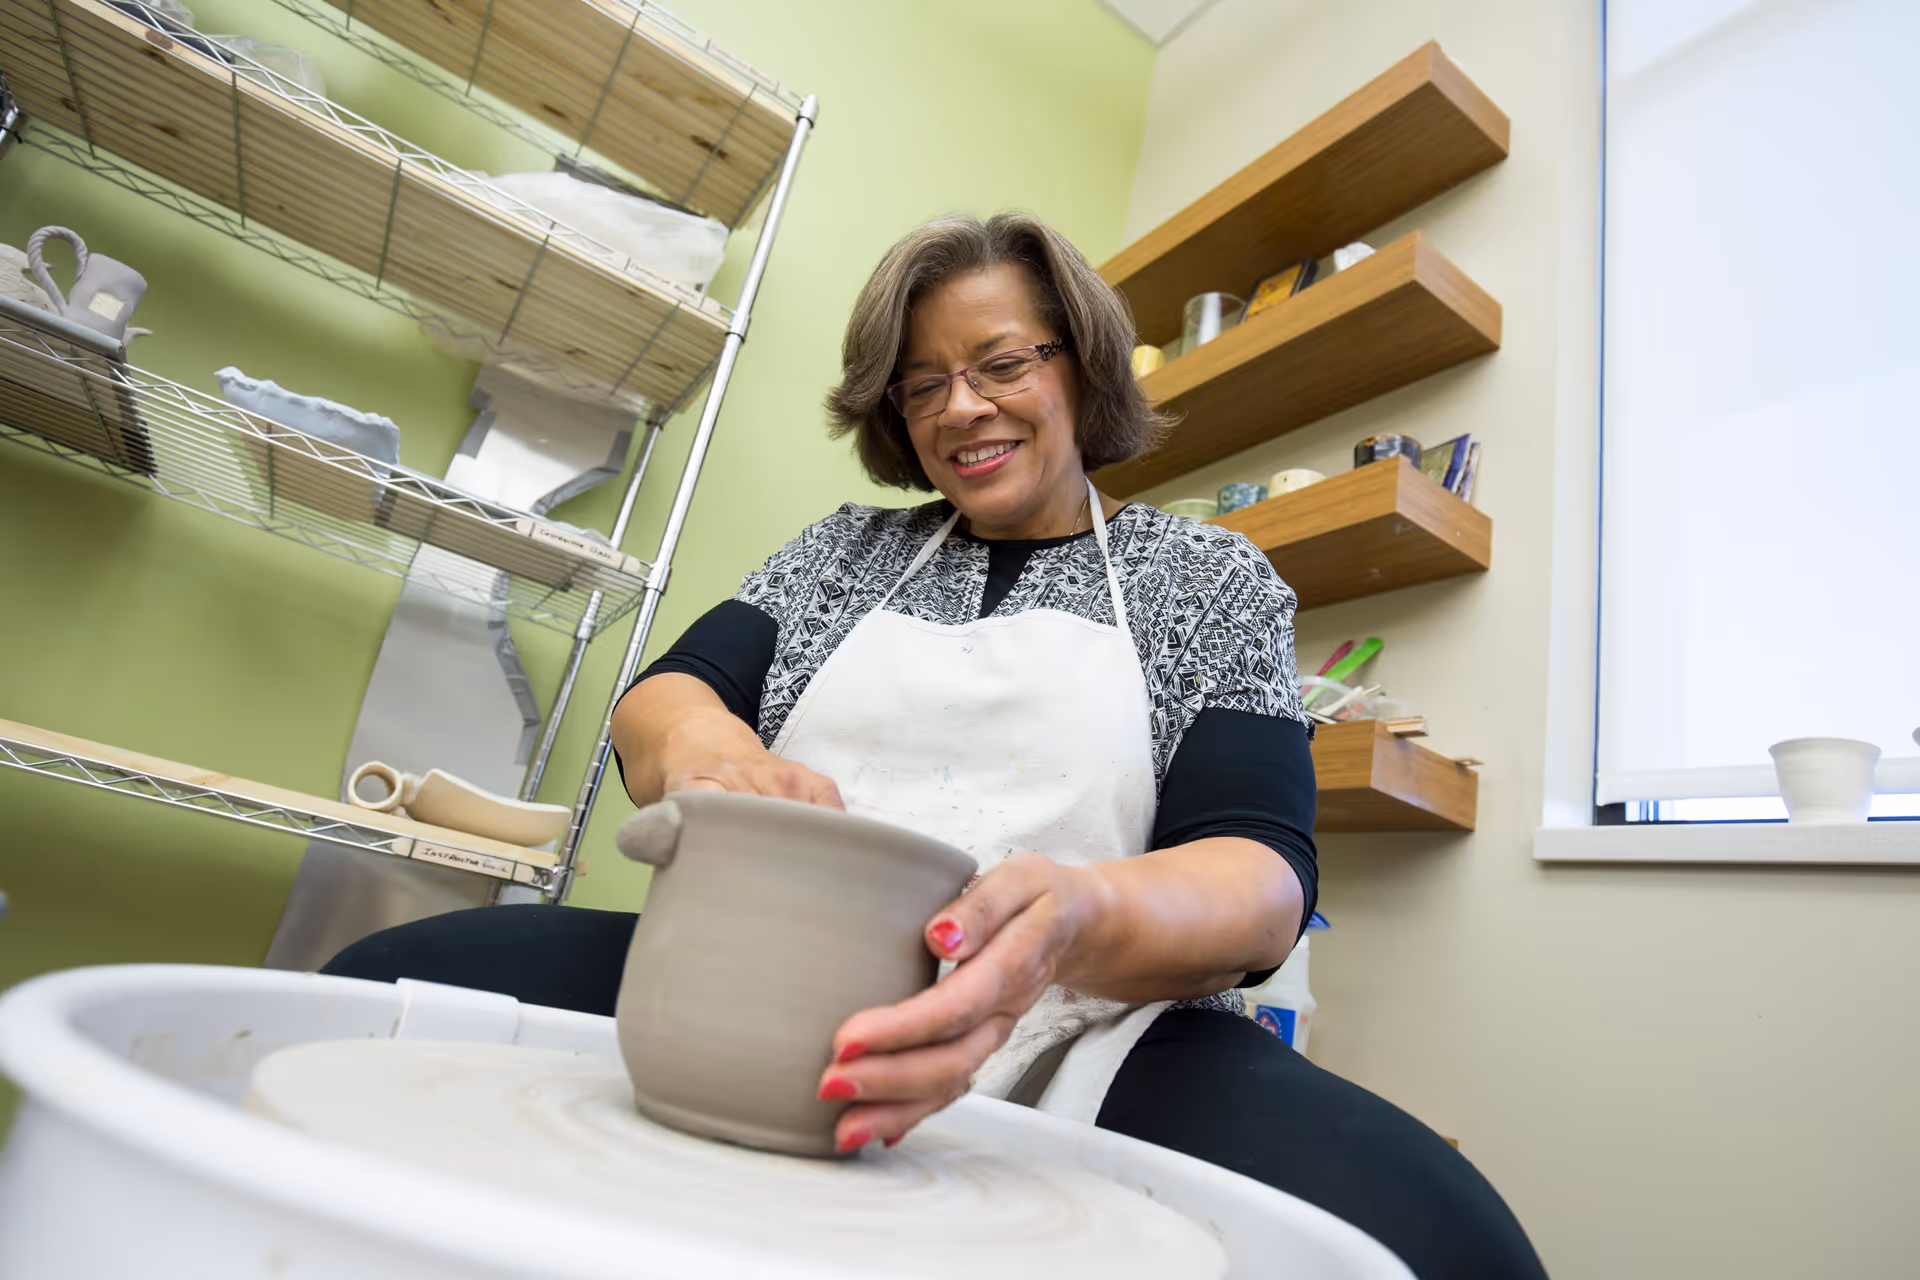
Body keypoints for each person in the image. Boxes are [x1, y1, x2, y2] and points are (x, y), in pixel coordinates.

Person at [326, 213, 1547, 1280]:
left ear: (1082, 369)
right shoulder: (842, 553)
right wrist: (707, 744)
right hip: (760, 981)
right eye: (920, 385)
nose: (960, 406)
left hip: (1076, 1024)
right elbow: (663, 699)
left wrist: (1074, 918)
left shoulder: (1207, 578)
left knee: (1449, 1238)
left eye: (1001, 363)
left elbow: (1258, 876)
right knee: (381, 987)